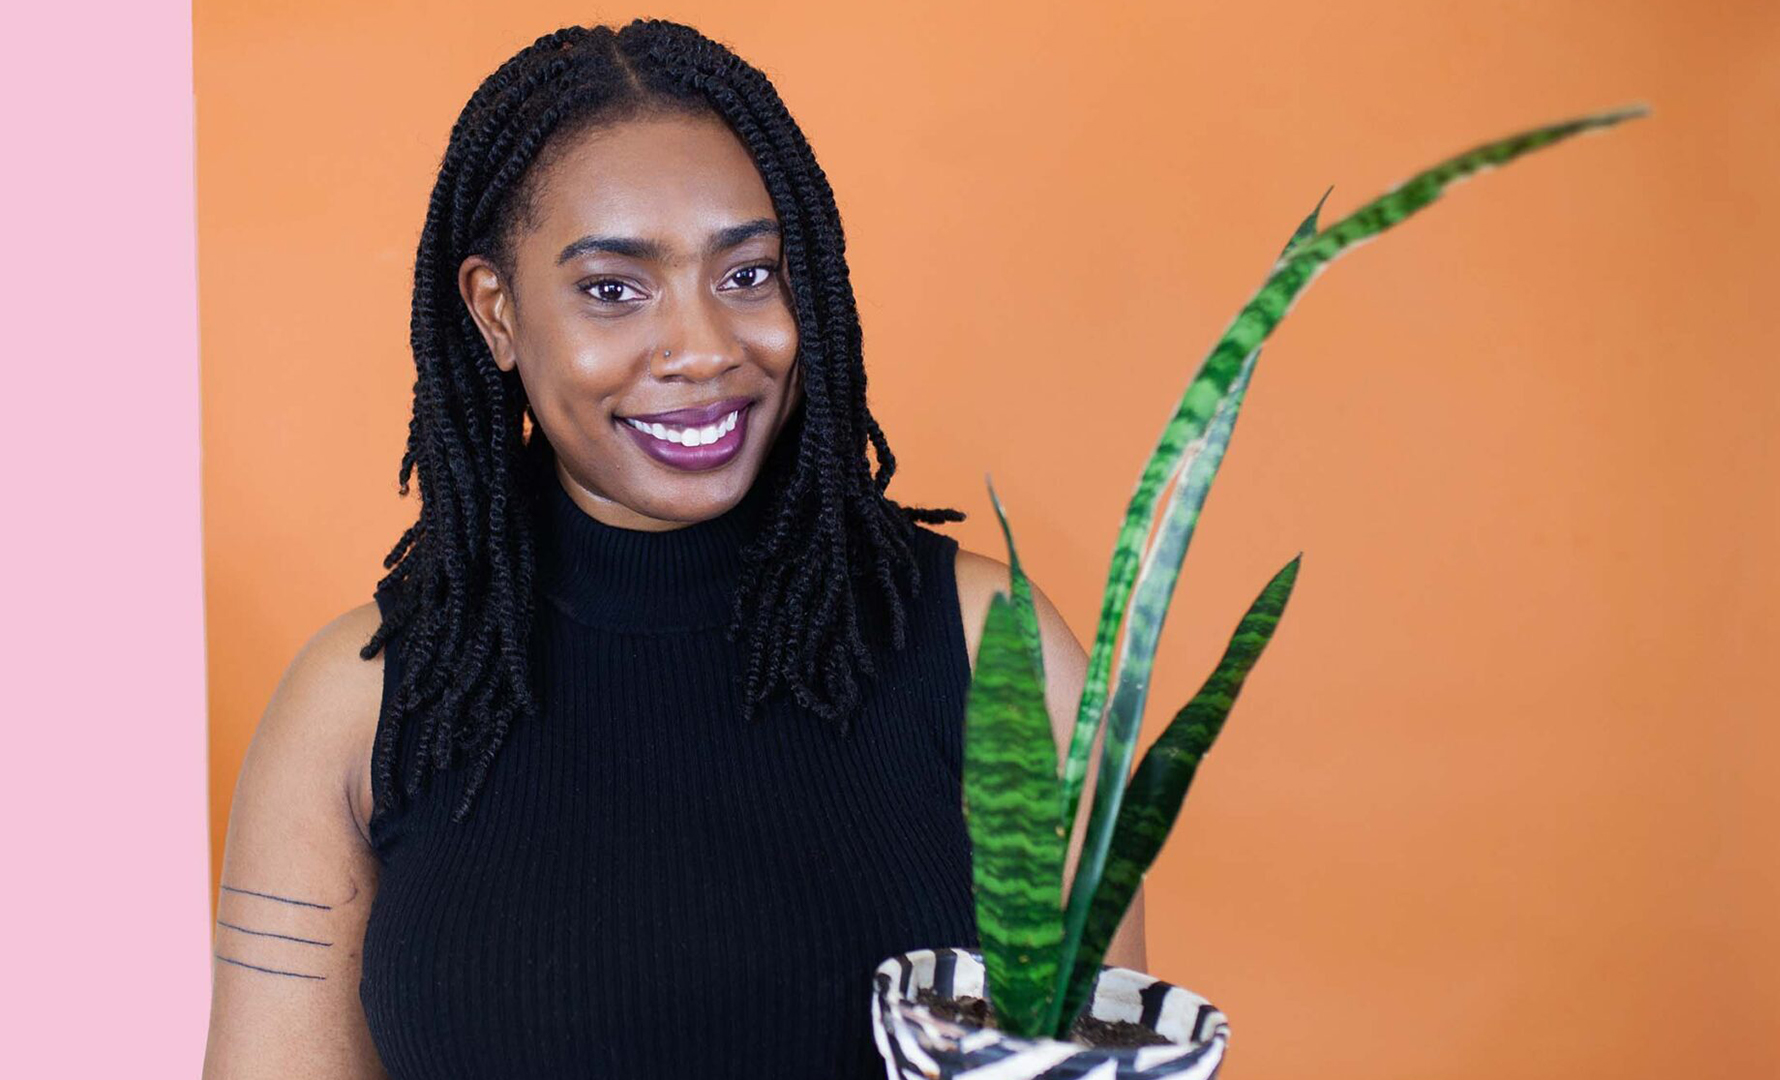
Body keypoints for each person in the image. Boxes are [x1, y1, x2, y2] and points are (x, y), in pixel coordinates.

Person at [202, 18, 1146, 1079]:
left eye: (748, 274)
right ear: (496, 311)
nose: (704, 349)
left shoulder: (993, 655)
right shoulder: (356, 706)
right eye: (614, 288)